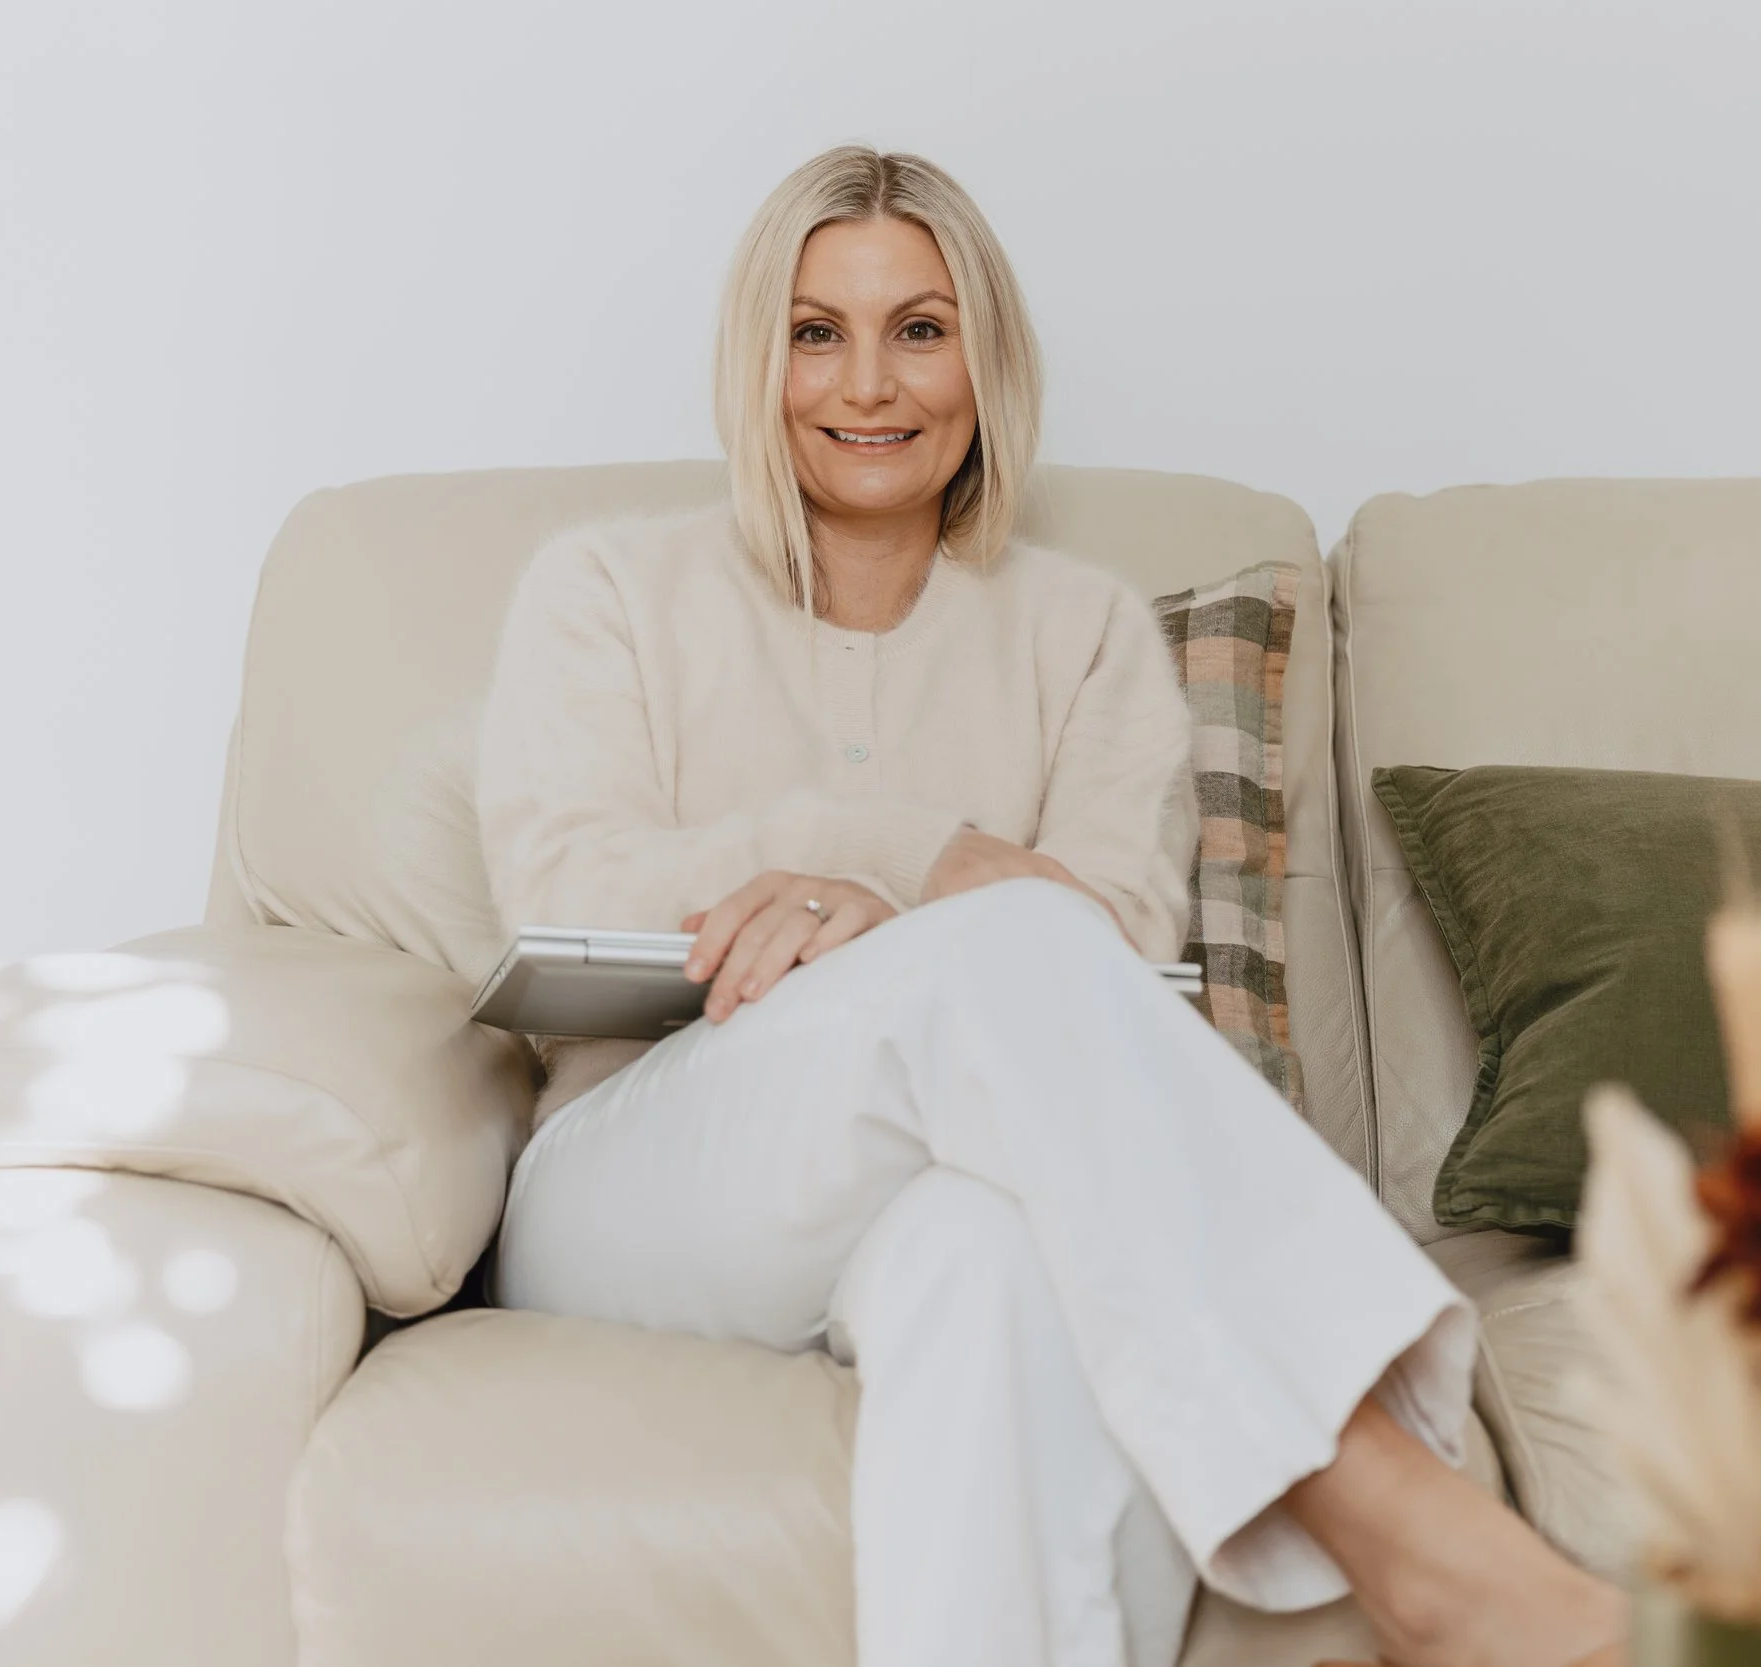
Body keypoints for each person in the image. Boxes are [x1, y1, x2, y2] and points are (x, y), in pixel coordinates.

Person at [475, 145, 1625, 1667]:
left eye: (921, 328)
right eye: (816, 331)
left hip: (948, 1186)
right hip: (644, 1173)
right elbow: (560, 886)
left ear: (986, 358)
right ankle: (1409, 1520)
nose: (868, 383)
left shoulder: (1081, 633)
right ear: (759, 361)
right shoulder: (607, 593)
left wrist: (890, 916)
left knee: (992, 1258)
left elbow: (1123, 980)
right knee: (1011, 937)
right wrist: (904, 857)